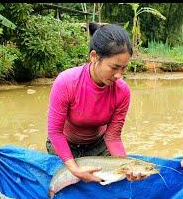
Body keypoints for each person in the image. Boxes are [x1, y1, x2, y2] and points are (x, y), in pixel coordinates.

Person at [46, 23, 147, 184]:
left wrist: (127, 167)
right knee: (62, 182)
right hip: (65, 144)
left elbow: (113, 136)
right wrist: (74, 168)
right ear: (94, 56)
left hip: (98, 145)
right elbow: (55, 132)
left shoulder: (122, 91)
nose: (119, 75)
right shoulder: (66, 82)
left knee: (113, 184)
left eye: (124, 68)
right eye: (114, 67)